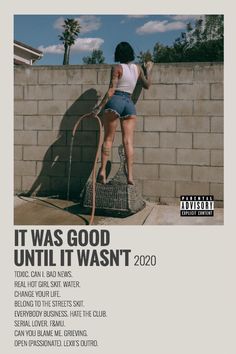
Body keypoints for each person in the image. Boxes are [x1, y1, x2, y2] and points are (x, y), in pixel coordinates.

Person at [92, 41, 153, 185]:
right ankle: (130, 176)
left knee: (108, 139)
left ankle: (102, 171)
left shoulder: (117, 68)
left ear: (118, 54)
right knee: (128, 142)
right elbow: (147, 85)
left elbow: (111, 90)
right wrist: (148, 69)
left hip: (116, 101)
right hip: (129, 104)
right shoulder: (137, 69)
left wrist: (98, 108)